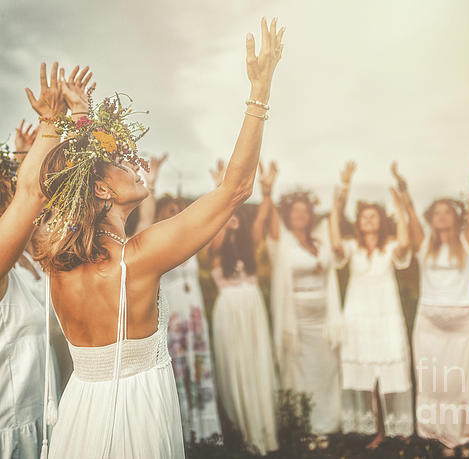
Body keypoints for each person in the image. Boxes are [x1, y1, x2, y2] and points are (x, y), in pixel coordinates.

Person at [35, 18, 284, 459]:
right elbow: (235, 190)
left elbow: (78, 180)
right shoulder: (138, 257)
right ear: (102, 189)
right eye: (120, 164)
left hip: (79, 408)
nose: (134, 164)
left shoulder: (57, 256)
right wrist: (259, 91)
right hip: (136, 411)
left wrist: (78, 117)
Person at [0, 62, 75, 459]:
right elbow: (30, 194)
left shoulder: (21, 259)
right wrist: (51, 122)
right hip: (12, 433)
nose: (10, 188)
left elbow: (31, 194)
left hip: (41, 417)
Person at [398, 155, 469, 457]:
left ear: (455, 217)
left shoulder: (467, 244)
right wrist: (402, 190)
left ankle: (466, 435)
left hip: (464, 325)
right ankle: (441, 435)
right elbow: (411, 214)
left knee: (463, 382)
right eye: (436, 212)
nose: (441, 216)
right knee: (436, 382)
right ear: (432, 218)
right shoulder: (425, 245)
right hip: (430, 325)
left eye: (447, 211)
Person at [133, 157, 222, 444]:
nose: (175, 215)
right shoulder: (152, 244)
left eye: (178, 211)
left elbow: (210, 223)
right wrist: (152, 182)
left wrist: (219, 188)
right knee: (176, 369)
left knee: (197, 367)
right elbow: (145, 216)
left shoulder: (189, 242)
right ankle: (181, 430)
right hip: (170, 321)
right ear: (160, 215)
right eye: (170, 211)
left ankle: (204, 430)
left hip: (193, 317)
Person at [330, 162, 414, 449]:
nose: (368, 220)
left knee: (389, 373)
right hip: (358, 318)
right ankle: (376, 430)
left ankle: (397, 427)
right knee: (366, 376)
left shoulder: (390, 247)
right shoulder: (351, 248)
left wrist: (400, 206)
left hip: (386, 317)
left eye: (373, 216)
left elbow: (405, 241)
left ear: (381, 221)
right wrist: (342, 192)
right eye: (364, 216)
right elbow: (334, 239)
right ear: (359, 221)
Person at [261, 161, 344, 436]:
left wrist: (340, 196)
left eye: (304, 211)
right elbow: (271, 223)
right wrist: (268, 192)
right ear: (288, 214)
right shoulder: (282, 242)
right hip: (297, 322)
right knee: (300, 372)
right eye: (295, 211)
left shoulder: (319, 241)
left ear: (310, 215)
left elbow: (336, 226)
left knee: (326, 371)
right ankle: (305, 427)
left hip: (323, 322)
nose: (300, 215)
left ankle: (329, 423)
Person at [207, 159, 278, 455]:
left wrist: (267, 190)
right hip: (228, 311)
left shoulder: (251, 242)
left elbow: (262, 217)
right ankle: (239, 427)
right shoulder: (214, 244)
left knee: (254, 360)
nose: (234, 217)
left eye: (237, 213)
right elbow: (215, 234)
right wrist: (221, 193)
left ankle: (263, 427)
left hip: (252, 308)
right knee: (233, 364)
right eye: (229, 213)